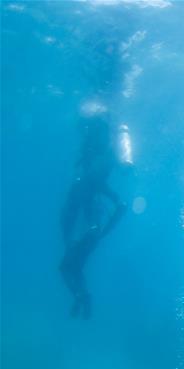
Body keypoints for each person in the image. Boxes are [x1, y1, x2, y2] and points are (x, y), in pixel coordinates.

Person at [59, 112, 126, 319]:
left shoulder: (92, 180)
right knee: (74, 267)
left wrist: (99, 231)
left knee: (65, 267)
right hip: (93, 230)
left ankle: (82, 296)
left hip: (90, 230)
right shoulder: (94, 181)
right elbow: (120, 205)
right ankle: (83, 296)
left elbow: (118, 203)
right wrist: (103, 231)